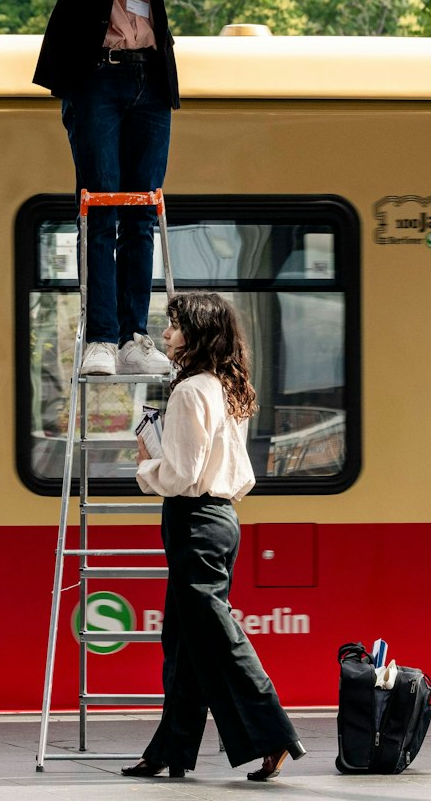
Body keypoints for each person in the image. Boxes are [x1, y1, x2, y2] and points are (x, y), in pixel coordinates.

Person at [125, 292, 304, 783]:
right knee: (185, 641)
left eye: (174, 326)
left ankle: (275, 735)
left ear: (197, 333)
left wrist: (145, 462)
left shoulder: (188, 392)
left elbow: (182, 474)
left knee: (217, 639)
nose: (165, 335)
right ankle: (169, 750)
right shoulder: (226, 386)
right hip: (220, 519)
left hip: (192, 520)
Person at [31, 0, 199, 378]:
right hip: (96, 72)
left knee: (143, 211)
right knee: (101, 206)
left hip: (149, 71)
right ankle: (101, 337)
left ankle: (134, 337)